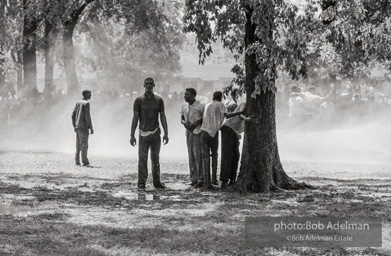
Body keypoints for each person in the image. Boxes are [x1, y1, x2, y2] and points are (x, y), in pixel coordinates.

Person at [199, 91, 243, 189]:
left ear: (212, 97)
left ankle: (207, 182)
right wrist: (240, 111)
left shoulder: (207, 105)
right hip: (213, 133)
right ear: (221, 98)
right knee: (214, 155)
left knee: (205, 157)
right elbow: (227, 115)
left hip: (204, 132)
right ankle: (214, 179)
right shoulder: (221, 104)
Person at [130, 77, 168, 190]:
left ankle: (157, 182)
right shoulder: (138, 100)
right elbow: (135, 118)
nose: (149, 85)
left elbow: (163, 116)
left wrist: (166, 132)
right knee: (142, 158)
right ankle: (141, 182)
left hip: (156, 132)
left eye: (151, 84)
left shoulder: (159, 100)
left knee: (155, 158)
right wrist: (131, 135)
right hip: (143, 134)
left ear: (154, 85)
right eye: (147, 84)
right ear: (144, 85)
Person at [220, 101, 256, 188]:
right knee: (227, 155)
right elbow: (240, 115)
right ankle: (224, 180)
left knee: (236, 155)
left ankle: (232, 179)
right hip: (228, 128)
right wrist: (247, 119)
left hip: (234, 131)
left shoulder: (256, 106)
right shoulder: (245, 104)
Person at [180, 88, 205, 186]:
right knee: (191, 155)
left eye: (188, 95)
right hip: (188, 132)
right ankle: (193, 178)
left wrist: (195, 123)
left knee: (198, 155)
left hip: (197, 132)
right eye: (185, 94)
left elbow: (203, 118)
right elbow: (182, 118)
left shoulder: (200, 105)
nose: (185, 96)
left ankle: (200, 178)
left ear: (194, 95)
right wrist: (184, 123)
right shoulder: (184, 106)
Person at [72, 89, 94, 166]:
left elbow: (73, 115)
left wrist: (74, 125)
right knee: (84, 144)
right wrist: (91, 127)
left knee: (78, 145)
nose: (90, 95)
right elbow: (87, 116)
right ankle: (84, 160)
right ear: (85, 95)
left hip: (77, 126)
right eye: (89, 94)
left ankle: (77, 160)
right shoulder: (86, 103)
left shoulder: (78, 103)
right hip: (84, 126)